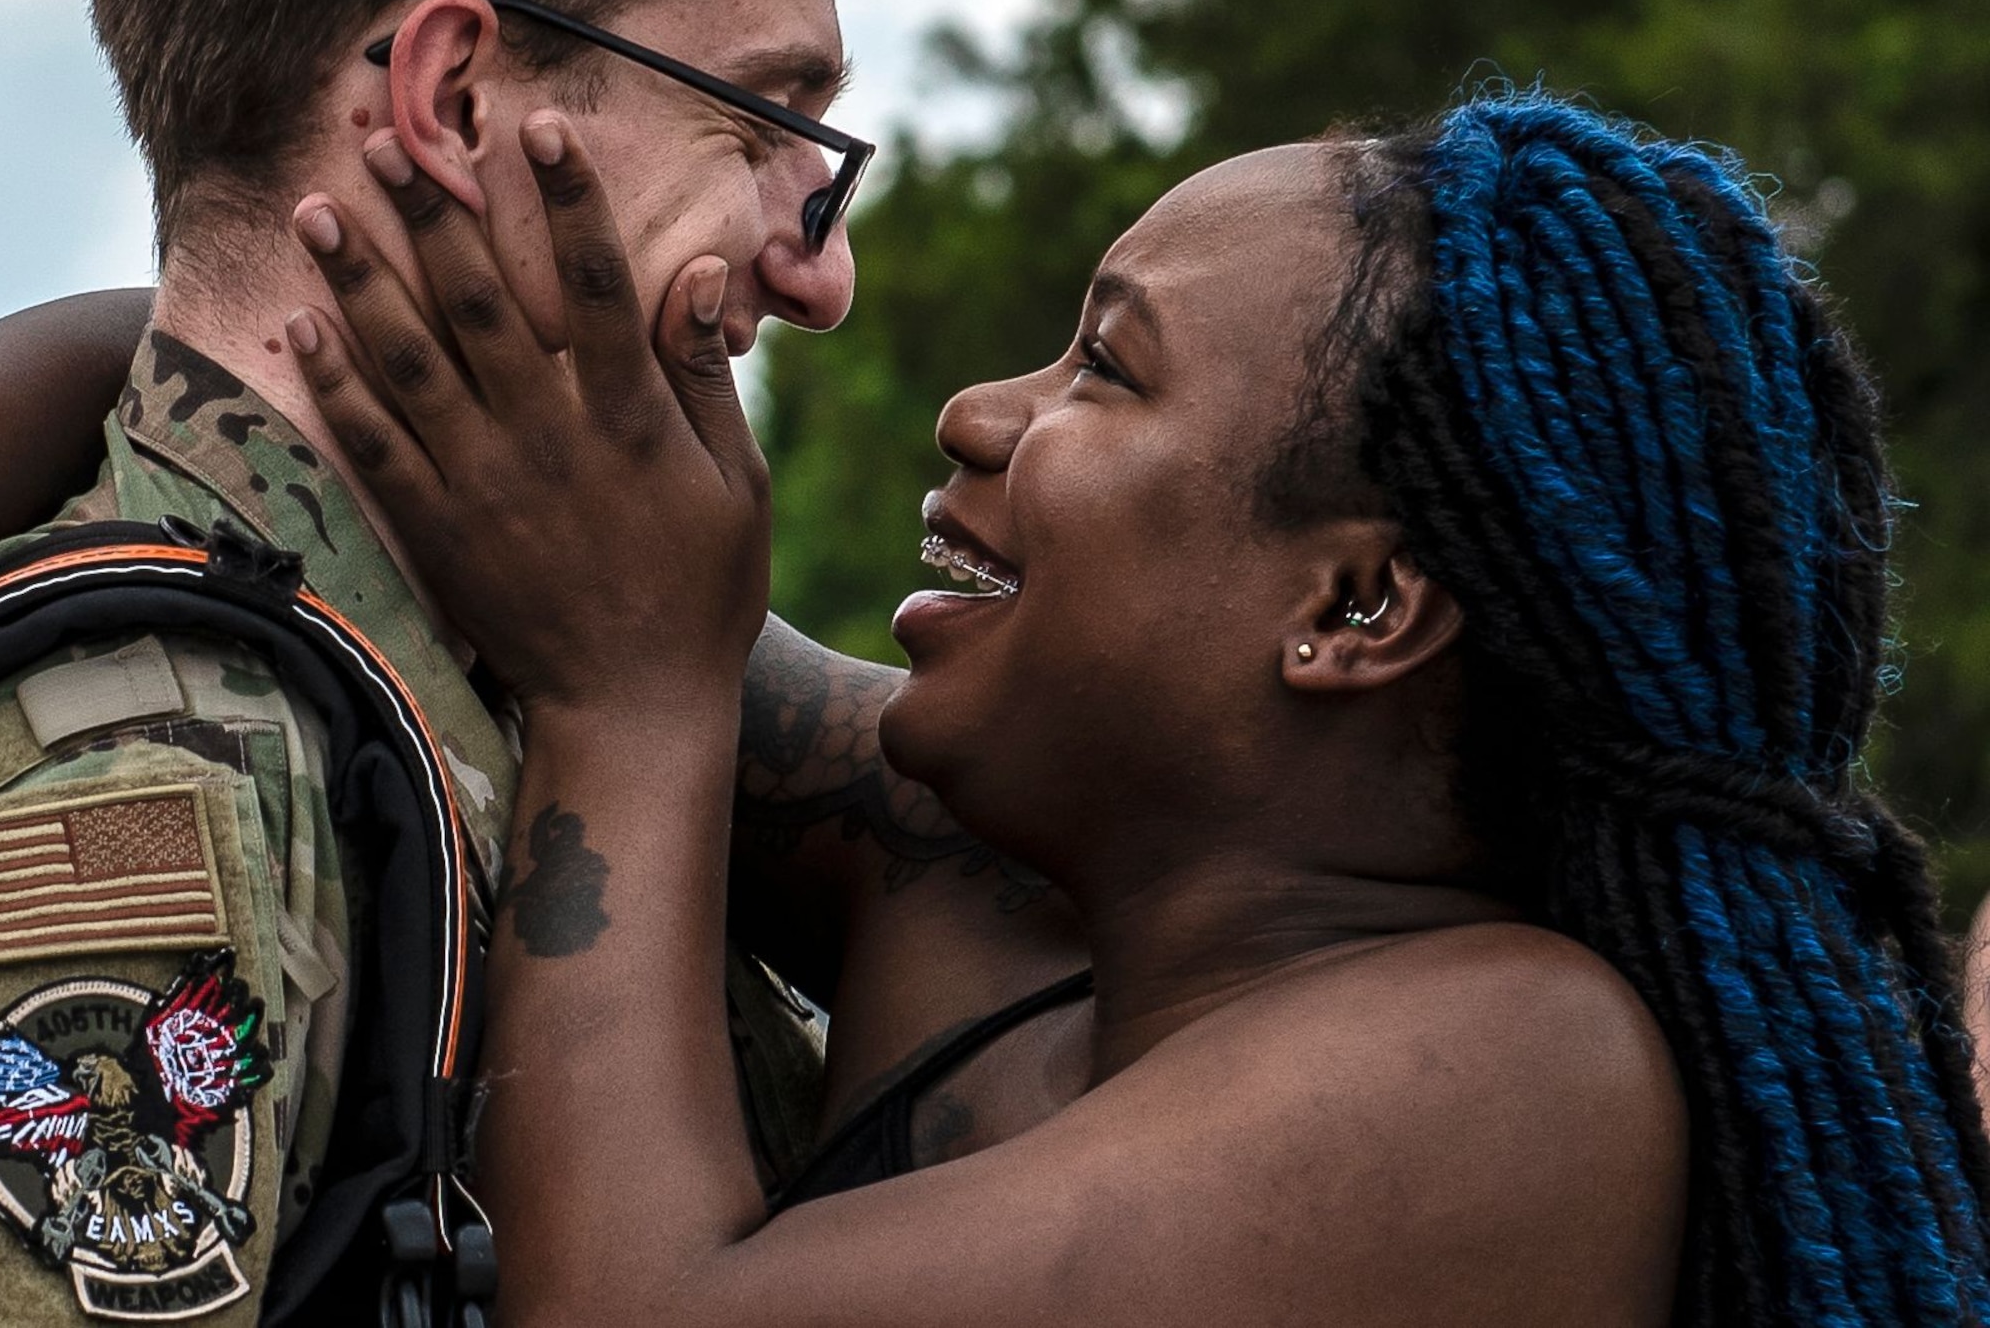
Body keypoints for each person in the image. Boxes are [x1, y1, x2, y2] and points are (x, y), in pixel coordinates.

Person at [270, 87, 1990, 1323]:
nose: (974, 409)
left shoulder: (1521, 1080)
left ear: (1358, 604)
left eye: (1108, 364)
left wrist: (627, 707)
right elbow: (520, 529)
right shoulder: (967, 866)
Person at [0, 0, 1015, 1320]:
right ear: (458, 101)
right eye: (766, 123)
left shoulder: (484, 677)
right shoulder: (167, 787)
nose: (822, 271)